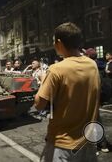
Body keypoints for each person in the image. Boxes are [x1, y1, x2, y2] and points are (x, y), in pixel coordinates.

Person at [34, 22, 100, 161]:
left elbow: (39, 104)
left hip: (62, 144)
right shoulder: (92, 65)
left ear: (59, 43)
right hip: (88, 140)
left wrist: (42, 79)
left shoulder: (56, 69)